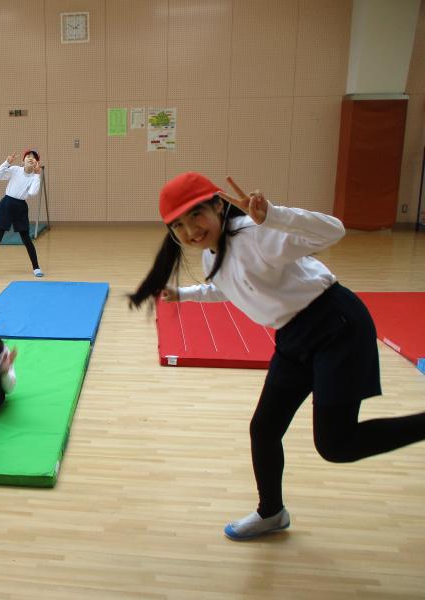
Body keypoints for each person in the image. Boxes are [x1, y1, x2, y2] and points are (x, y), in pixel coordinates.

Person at [128, 171, 425, 541]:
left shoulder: (256, 234)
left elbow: (333, 231)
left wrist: (274, 216)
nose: (191, 230)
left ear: (218, 205)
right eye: (179, 226)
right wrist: (185, 294)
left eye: (196, 215)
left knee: (337, 444)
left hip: (336, 327)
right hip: (293, 336)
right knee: (264, 430)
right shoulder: (209, 257)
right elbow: (229, 287)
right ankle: (271, 513)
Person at [0, 150, 43, 281]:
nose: (30, 158)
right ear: (23, 160)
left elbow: (32, 192)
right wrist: (7, 162)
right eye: (28, 156)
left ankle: (36, 268)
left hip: (21, 207)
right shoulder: (15, 169)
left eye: (34, 158)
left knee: (26, 238)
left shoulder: (34, 176)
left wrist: (37, 175)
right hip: (7, 204)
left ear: (36, 163)